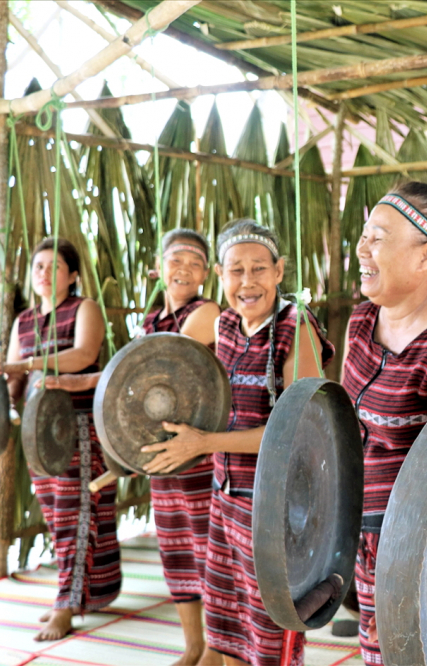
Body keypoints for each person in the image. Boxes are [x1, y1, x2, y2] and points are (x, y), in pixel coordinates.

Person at [139, 220, 334, 666]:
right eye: (236, 270)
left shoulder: (295, 327)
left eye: (259, 269)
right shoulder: (225, 325)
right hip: (225, 501)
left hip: (275, 510)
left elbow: (299, 431)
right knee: (229, 634)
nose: (247, 282)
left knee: (269, 636)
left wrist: (203, 442)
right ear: (221, 277)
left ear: (280, 271)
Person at [48, 229, 221, 665]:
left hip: (197, 452)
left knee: (207, 555)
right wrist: (88, 381)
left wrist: (97, 377)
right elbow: (129, 376)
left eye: (194, 263)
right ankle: (193, 648)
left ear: (205, 275)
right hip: (159, 456)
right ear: (157, 269)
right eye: (175, 260)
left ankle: (217, 655)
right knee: (177, 552)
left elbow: (161, 362)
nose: (183, 268)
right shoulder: (151, 322)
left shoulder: (206, 312)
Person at [342, 182, 427, 665]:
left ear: (425, 257)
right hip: (361, 537)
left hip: (414, 553)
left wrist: (409, 573)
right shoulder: (362, 320)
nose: (362, 248)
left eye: (377, 237)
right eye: (363, 235)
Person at [0, 238, 121, 641]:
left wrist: (24, 363)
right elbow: (16, 379)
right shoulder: (24, 320)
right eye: (38, 266)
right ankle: (83, 595)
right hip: (37, 434)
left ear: (73, 275)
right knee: (57, 518)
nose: (43, 273)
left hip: (79, 426)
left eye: (54, 266)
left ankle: (65, 605)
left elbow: (82, 355)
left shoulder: (85, 309)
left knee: (76, 515)